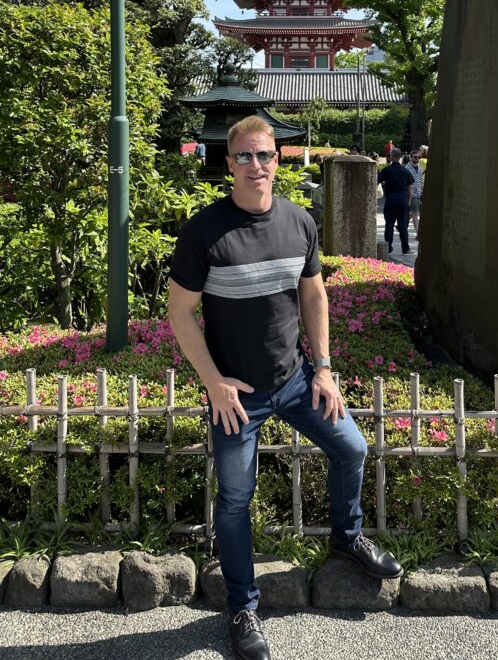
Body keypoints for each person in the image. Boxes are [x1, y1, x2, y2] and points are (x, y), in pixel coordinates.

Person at [168, 116, 402, 660]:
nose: (257, 166)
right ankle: (242, 606)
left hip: (295, 379)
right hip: (237, 396)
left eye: (266, 155)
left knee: (353, 447)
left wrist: (323, 366)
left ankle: (346, 538)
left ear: (280, 159)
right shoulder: (204, 232)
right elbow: (180, 315)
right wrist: (213, 383)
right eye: (245, 156)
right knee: (234, 499)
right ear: (228, 163)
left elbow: (315, 297)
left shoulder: (299, 222)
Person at [378, 146, 414, 255]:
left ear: (391, 157)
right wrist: (408, 201)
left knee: (389, 224)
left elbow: (376, 181)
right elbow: (410, 188)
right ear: (400, 157)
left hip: (390, 199)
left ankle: (388, 248)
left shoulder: (387, 170)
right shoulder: (405, 171)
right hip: (403, 199)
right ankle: (405, 248)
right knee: (403, 225)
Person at [404, 149, 424, 236]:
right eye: (415, 157)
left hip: (419, 193)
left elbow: (421, 180)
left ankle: (402, 224)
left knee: (413, 212)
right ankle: (418, 234)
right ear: (410, 158)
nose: (417, 159)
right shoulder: (407, 169)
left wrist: (423, 190)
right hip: (412, 194)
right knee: (415, 214)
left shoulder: (420, 168)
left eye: (418, 157)